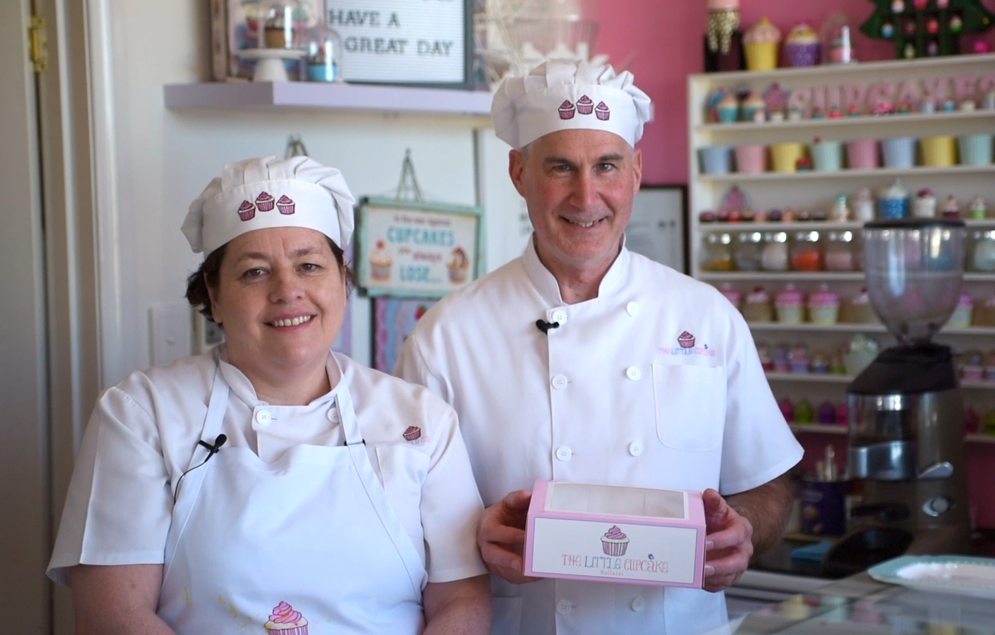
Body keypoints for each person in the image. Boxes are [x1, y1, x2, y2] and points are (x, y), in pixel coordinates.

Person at [393, 61, 803, 635]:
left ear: (635, 172)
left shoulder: (706, 317)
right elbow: (398, 520)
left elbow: (766, 480)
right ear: (519, 172)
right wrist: (473, 536)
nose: (586, 196)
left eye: (606, 166)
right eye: (561, 167)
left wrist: (744, 531)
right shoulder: (446, 337)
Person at [47, 156, 491, 635]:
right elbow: (113, 615)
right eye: (255, 272)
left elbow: (461, 601)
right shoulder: (141, 414)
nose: (288, 290)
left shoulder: (421, 419)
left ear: (342, 281)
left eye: (309, 265)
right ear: (213, 296)